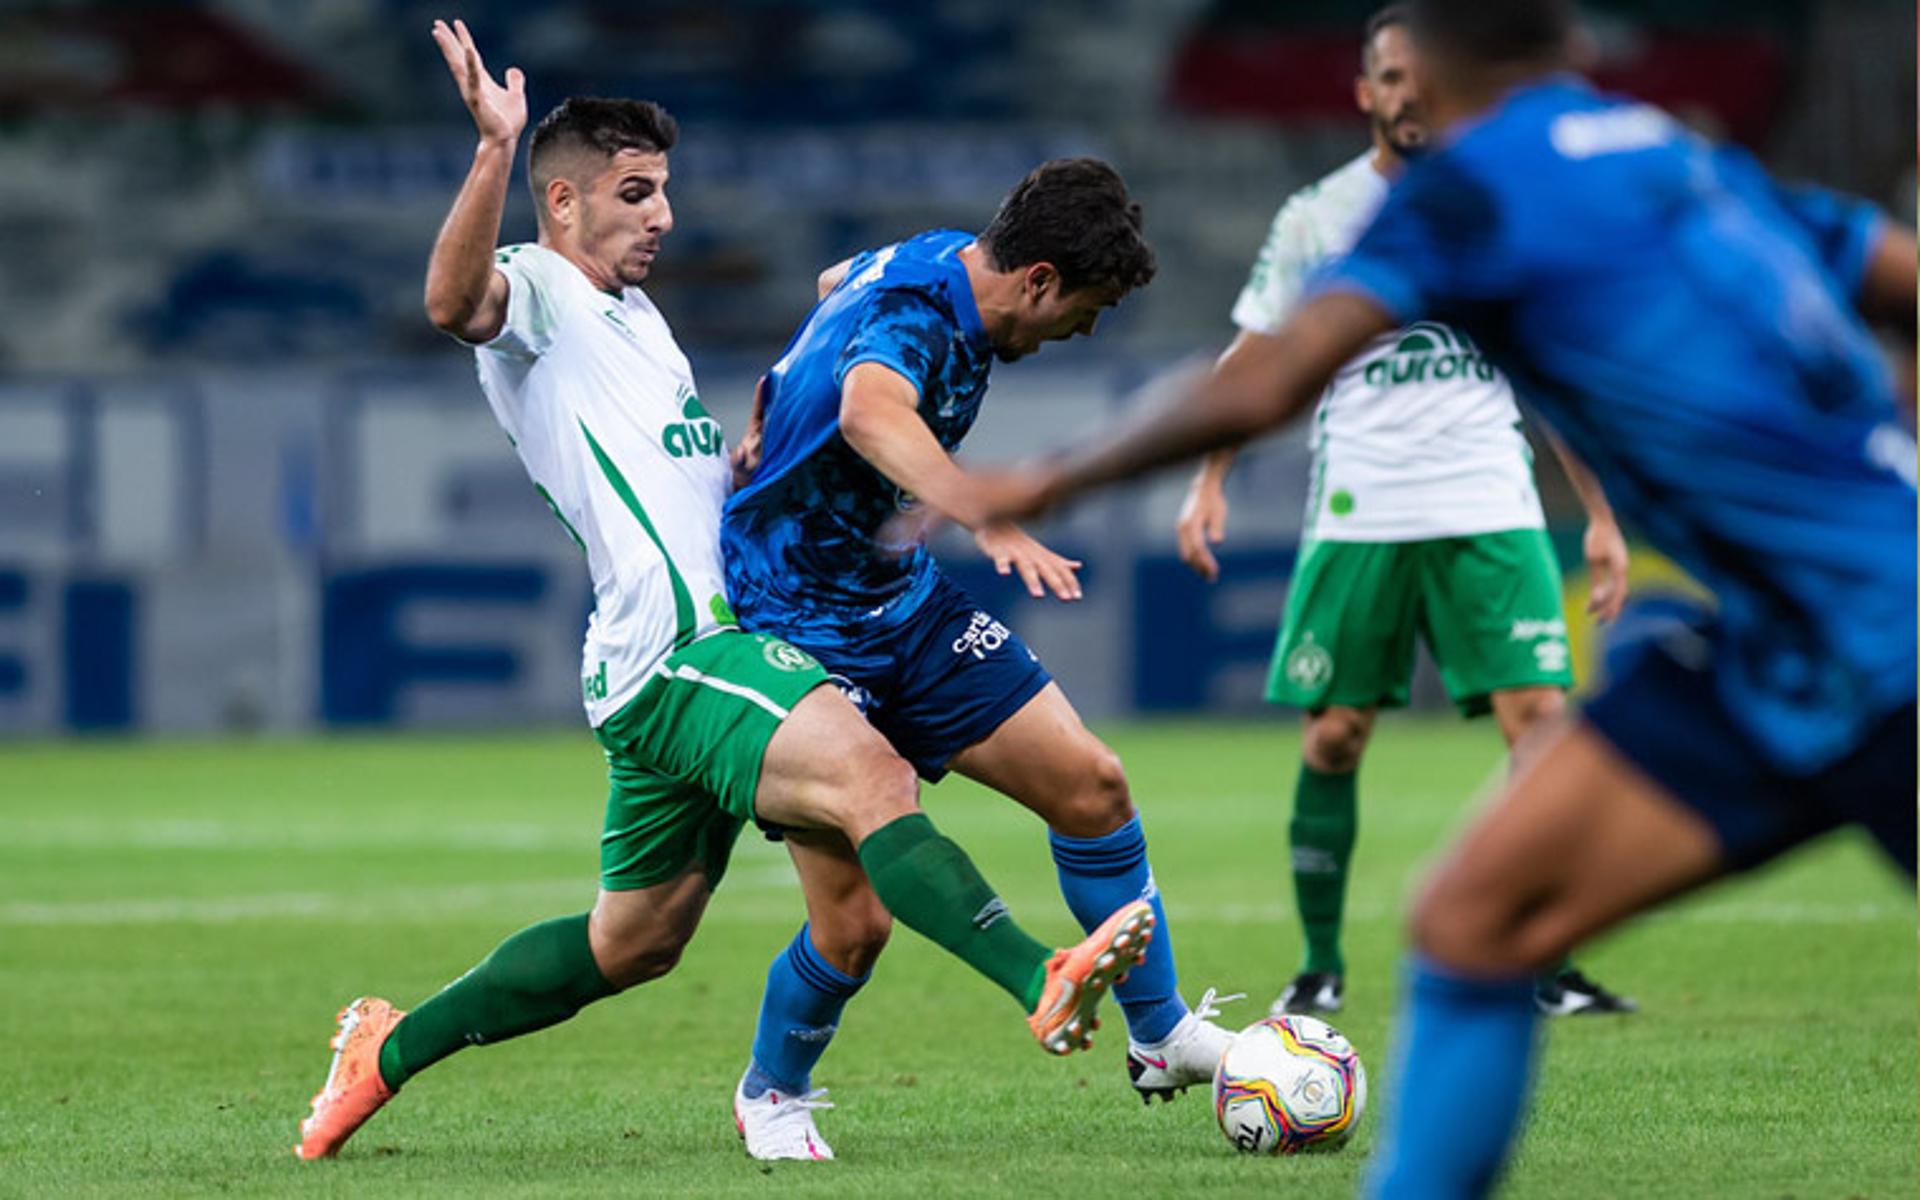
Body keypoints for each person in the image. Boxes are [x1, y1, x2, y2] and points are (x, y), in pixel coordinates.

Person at [924, 0, 1918, 1195]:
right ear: (1576, 54)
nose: (1390, 98)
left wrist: (1047, 476)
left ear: (1430, 83)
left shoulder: (1471, 189)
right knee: (1473, 918)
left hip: (1876, 639)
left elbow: (1269, 381)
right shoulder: (1676, 154)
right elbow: (1889, 271)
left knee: (1475, 910)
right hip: (1788, 650)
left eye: (1399, 75)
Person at [293, 20, 1155, 1163]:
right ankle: (1035, 974)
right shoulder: (541, 295)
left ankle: (385, 1051)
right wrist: (494, 149)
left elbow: (739, 402)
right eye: (635, 193)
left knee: (632, 943)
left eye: (663, 193)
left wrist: (751, 447)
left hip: (678, 654)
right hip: (685, 650)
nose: (661, 216)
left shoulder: (638, 324)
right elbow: (456, 306)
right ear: (562, 205)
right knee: (871, 772)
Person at [718, 159, 1237, 1158]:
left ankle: (1162, 1033)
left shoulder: (933, 257)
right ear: (1037, 278)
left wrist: (783, 392)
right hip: (796, 626)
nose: (1081, 332)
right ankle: (770, 1091)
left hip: (902, 604)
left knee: (1093, 786)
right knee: (854, 927)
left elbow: (835, 283)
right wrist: (990, 515)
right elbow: (871, 410)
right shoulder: (921, 315)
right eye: (1082, 311)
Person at [1173, 3, 1634, 1019]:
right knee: (1334, 738)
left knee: (1543, 729)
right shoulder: (1317, 217)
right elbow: (1252, 361)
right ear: (1365, 94)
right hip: (1360, 510)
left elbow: (1555, 373)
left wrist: (1600, 513)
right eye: (1386, 77)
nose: (1403, 93)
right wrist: (1209, 480)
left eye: (1416, 75)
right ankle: (1320, 964)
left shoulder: (1501, 203)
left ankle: (1547, 961)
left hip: (1488, 498)